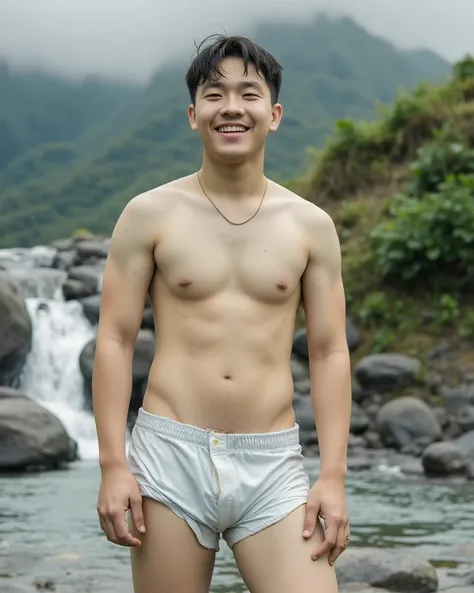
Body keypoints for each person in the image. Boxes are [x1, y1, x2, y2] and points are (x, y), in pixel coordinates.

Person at [92, 33, 352, 593]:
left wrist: (333, 476)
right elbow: (113, 339)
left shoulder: (310, 226)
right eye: (215, 94)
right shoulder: (149, 214)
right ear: (194, 114)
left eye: (248, 94)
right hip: (169, 456)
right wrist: (113, 465)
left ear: (274, 114)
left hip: (272, 462)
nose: (231, 107)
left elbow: (330, 351)